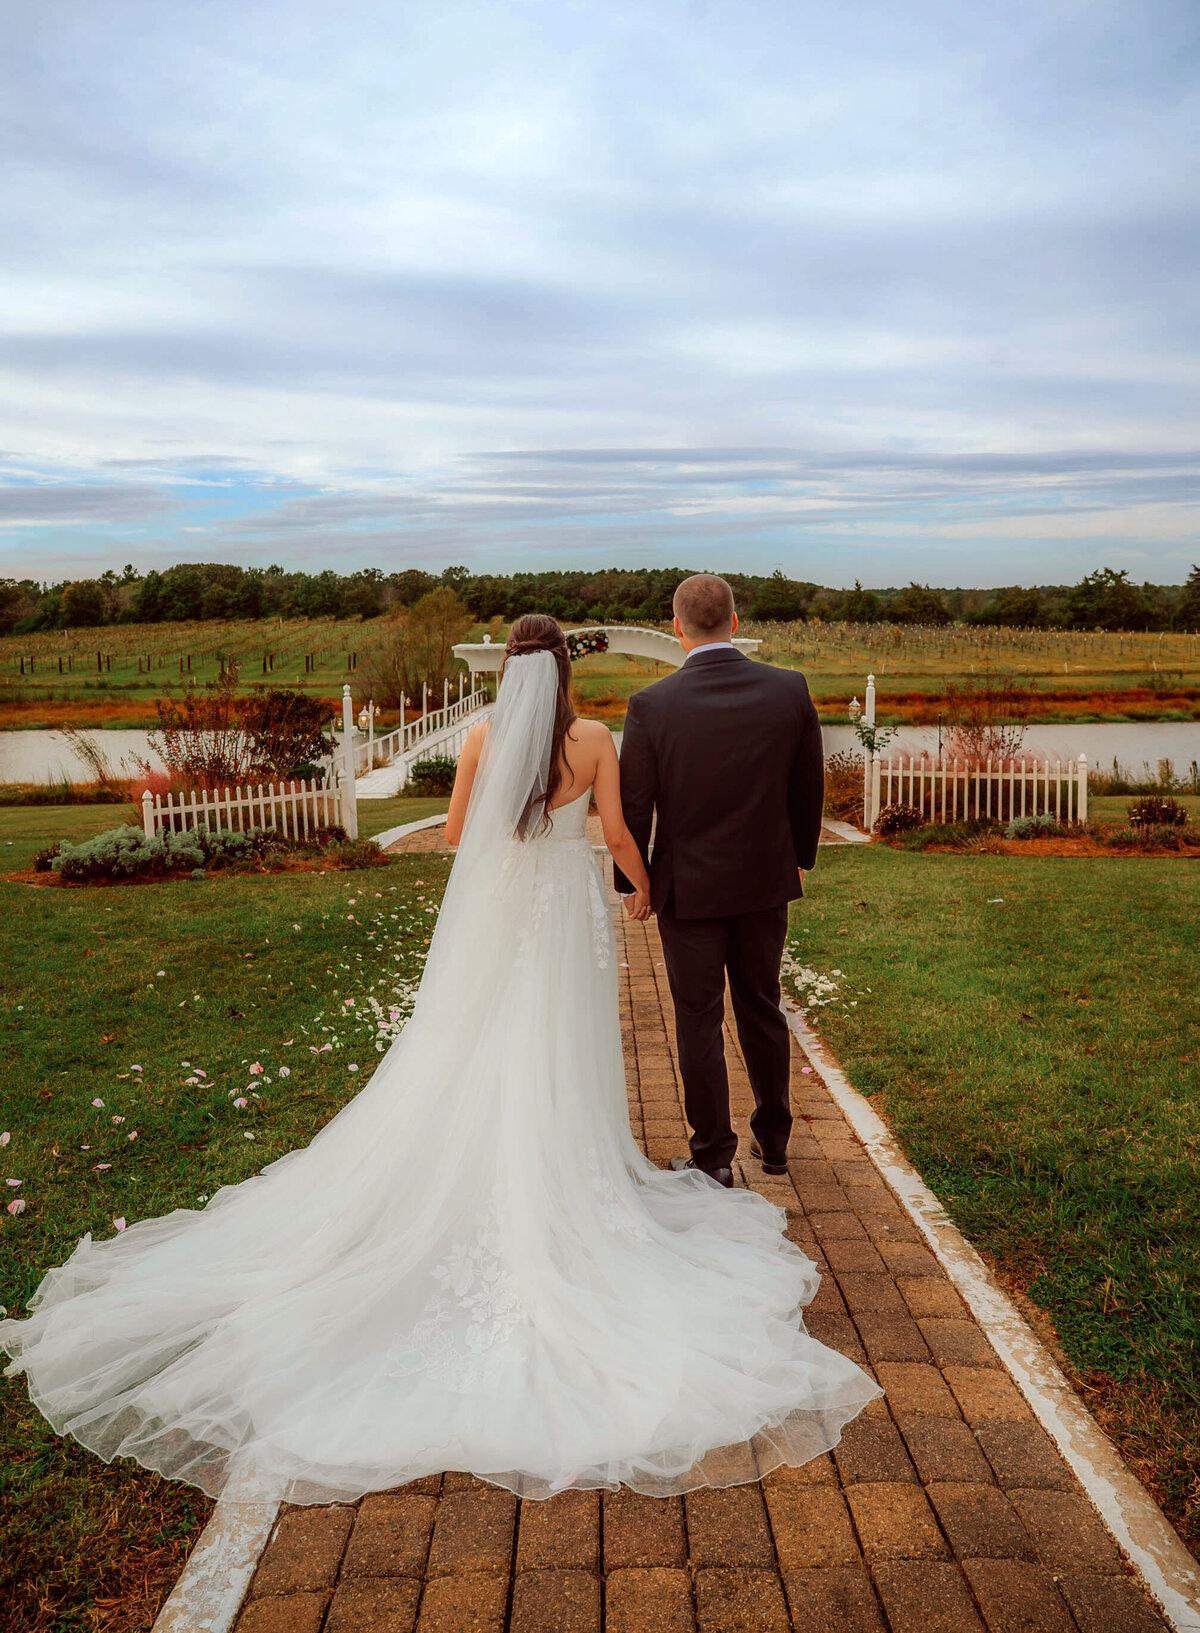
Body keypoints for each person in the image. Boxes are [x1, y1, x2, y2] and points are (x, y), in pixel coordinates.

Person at [1, 614, 878, 1506]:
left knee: (480, 1040)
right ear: (566, 671)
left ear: (507, 668)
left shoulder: (481, 735)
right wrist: (641, 885)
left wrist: (516, 843)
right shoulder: (592, 737)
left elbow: (460, 834)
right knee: (560, 1045)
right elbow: (618, 833)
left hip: (506, 916)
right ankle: (583, 1163)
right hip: (565, 921)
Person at [613, 574, 824, 1187]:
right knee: (761, 1004)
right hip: (763, 881)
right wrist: (799, 856)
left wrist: (636, 886)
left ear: (676, 629)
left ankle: (714, 1158)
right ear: (735, 622)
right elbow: (806, 784)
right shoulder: (788, 688)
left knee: (698, 1018)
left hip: (691, 890)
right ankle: (776, 1141)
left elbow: (636, 805)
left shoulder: (651, 705)